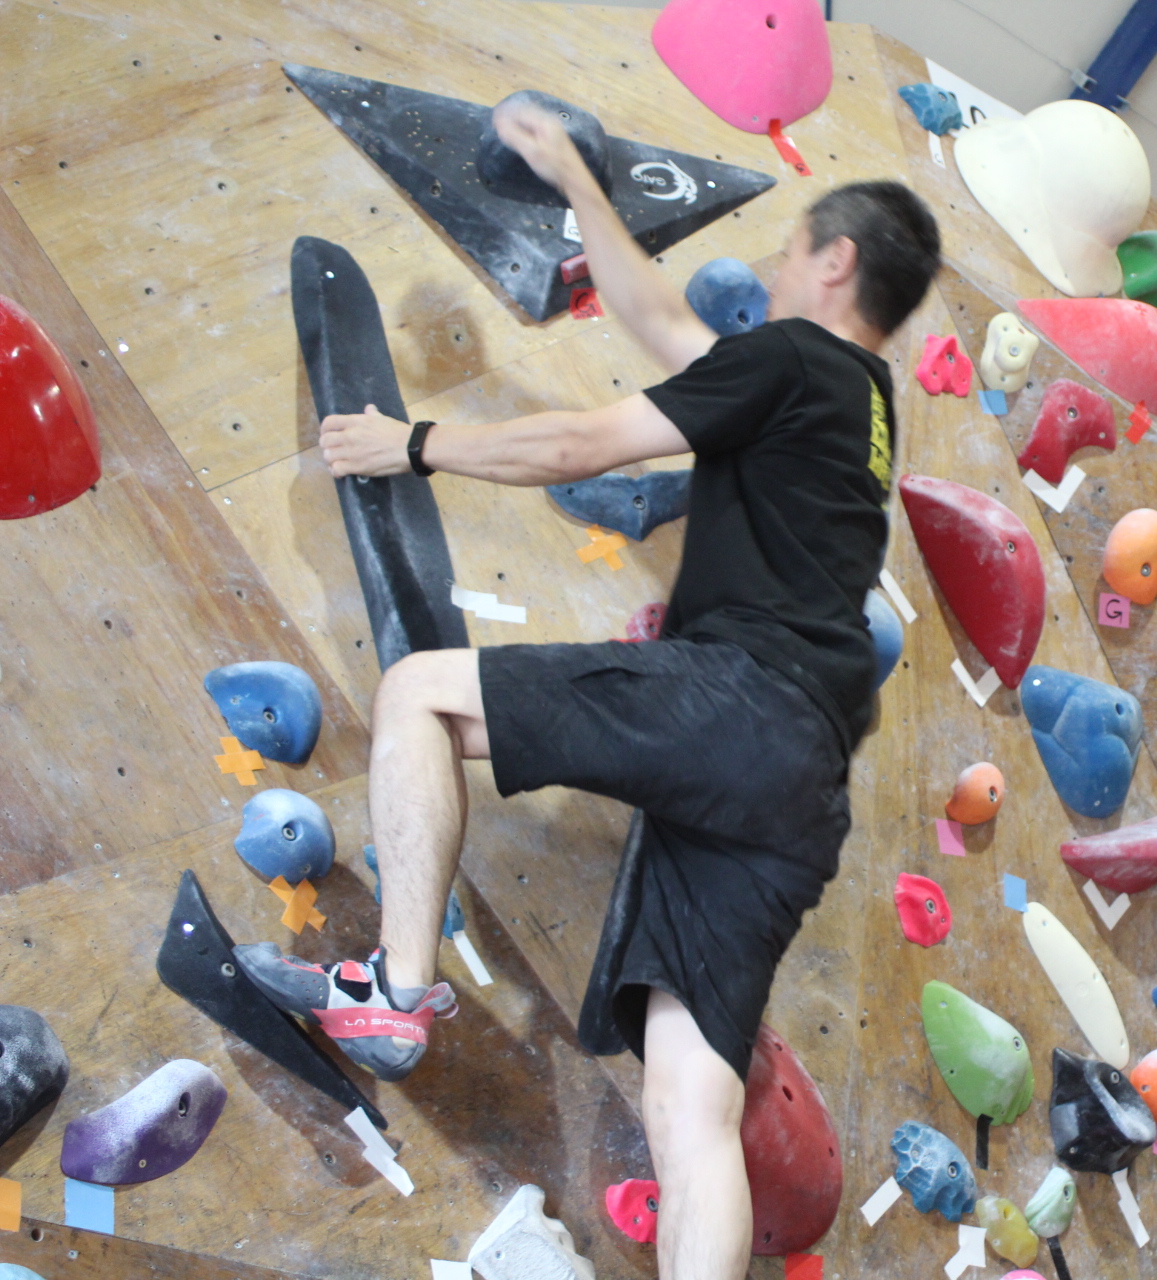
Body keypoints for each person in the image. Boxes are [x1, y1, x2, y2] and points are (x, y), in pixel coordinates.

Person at [237, 97, 941, 1280]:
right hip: (803, 788)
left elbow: (581, 446)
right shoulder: (858, 403)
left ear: (834, 261)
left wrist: (413, 444)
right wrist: (574, 177)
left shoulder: (790, 359)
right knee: (691, 1106)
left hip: (741, 699)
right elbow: (662, 320)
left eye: (787, 255)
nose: (774, 277)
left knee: (418, 693)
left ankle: (395, 986)